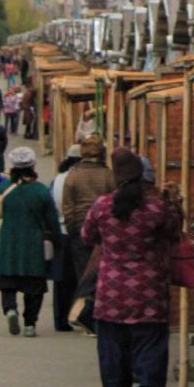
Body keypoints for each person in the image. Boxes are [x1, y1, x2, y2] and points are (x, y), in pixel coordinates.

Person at [81, 147, 181, 387]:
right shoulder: (156, 207)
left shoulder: (102, 205)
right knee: (150, 344)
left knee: (112, 348)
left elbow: (87, 235)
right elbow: (174, 232)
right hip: (149, 288)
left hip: (110, 290)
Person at [0, 147, 60, 338]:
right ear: (33, 166)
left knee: (7, 280)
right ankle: (30, 324)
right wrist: (57, 241)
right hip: (34, 243)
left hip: (9, 240)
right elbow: (52, 221)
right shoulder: (42, 191)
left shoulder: (5, 187)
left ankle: (10, 310)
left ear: (12, 166)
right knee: (34, 286)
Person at [62, 135, 116, 334]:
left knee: (83, 273)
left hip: (80, 229)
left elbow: (67, 207)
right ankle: (97, 315)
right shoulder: (108, 176)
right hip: (105, 231)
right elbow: (115, 201)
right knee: (103, 273)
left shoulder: (72, 176)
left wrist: (72, 229)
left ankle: (84, 314)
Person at [49, 144, 82, 332]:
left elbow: (50, 203)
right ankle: (78, 315)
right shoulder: (81, 178)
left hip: (61, 232)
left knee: (61, 279)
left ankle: (60, 319)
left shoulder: (58, 180)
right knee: (81, 277)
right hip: (79, 232)